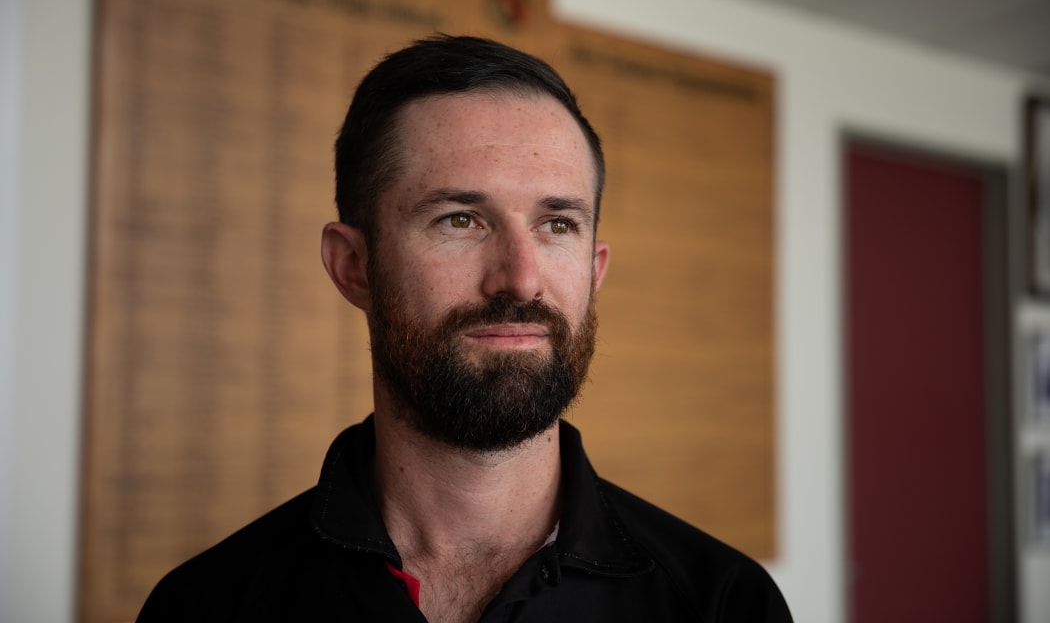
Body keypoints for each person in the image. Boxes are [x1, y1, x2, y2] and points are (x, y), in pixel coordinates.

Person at [137, 34, 792, 622]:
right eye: (459, 220)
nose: (521, 279)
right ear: (353, 266)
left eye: (557, 224)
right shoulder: (207, 606)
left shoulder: (722, 604)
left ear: (594, 271)